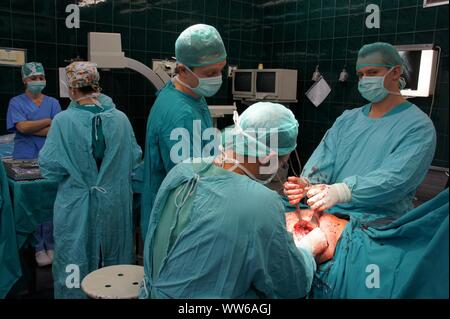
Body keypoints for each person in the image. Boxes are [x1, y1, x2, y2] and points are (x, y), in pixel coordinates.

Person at [139, 102, 328, 299]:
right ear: (267, 158)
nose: (279, 169)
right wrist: (308, 249)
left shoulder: (182, 170)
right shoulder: (260, 203)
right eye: (282, 162)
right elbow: (289, 284)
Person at [284, 42, 437, 223]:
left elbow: (396, 180)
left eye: (372, 73)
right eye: (360, 75)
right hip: (329, 212)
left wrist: (343, 191)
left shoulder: (418, 126)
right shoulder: (348, 120)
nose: (364, 80)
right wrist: (307, 184)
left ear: (396, 72)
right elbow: (325, 158)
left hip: (378, 222)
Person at [38, 61, 142, 299]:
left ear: (72, 89)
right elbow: (135, 158)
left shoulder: (63, 122)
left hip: (76, 206)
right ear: (97, 86)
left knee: (74, 258)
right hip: (113, 204)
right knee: (114, 262)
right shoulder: (121, 120)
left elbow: (50, 168)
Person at [141, 24, 227, 239]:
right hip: (177, 218)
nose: (218, 77)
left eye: (220, 69)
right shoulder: (178, 112)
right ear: (182, 70)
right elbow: (189, 182)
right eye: (209, 73)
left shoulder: (193, 95)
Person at [6, 62, 61, 267]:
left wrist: (29, 128)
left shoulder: (53, 102)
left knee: (49, 200)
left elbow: (54, 130)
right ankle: (37, 246)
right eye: (33, 78)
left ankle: (51, 243)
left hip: (48, 155)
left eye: (40, 77)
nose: (38, 81)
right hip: (24, 157)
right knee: (31, 201)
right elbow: (21, 126)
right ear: (24, 81)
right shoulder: (16, 102)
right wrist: (47, 121)